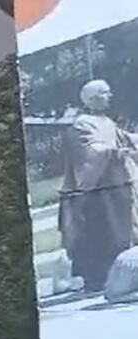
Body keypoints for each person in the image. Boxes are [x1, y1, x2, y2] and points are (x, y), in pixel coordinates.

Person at [59, 79, 138, 291]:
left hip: (117, 188)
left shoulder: (106, 121)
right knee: (102, 234)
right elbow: (90, 152)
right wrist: (113, 153)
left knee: (122, 232)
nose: (110, 96)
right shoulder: (82, 124)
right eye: (106, 92)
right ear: (93, 98)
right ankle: (98, 278)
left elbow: (126, 139)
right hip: (97, 193)